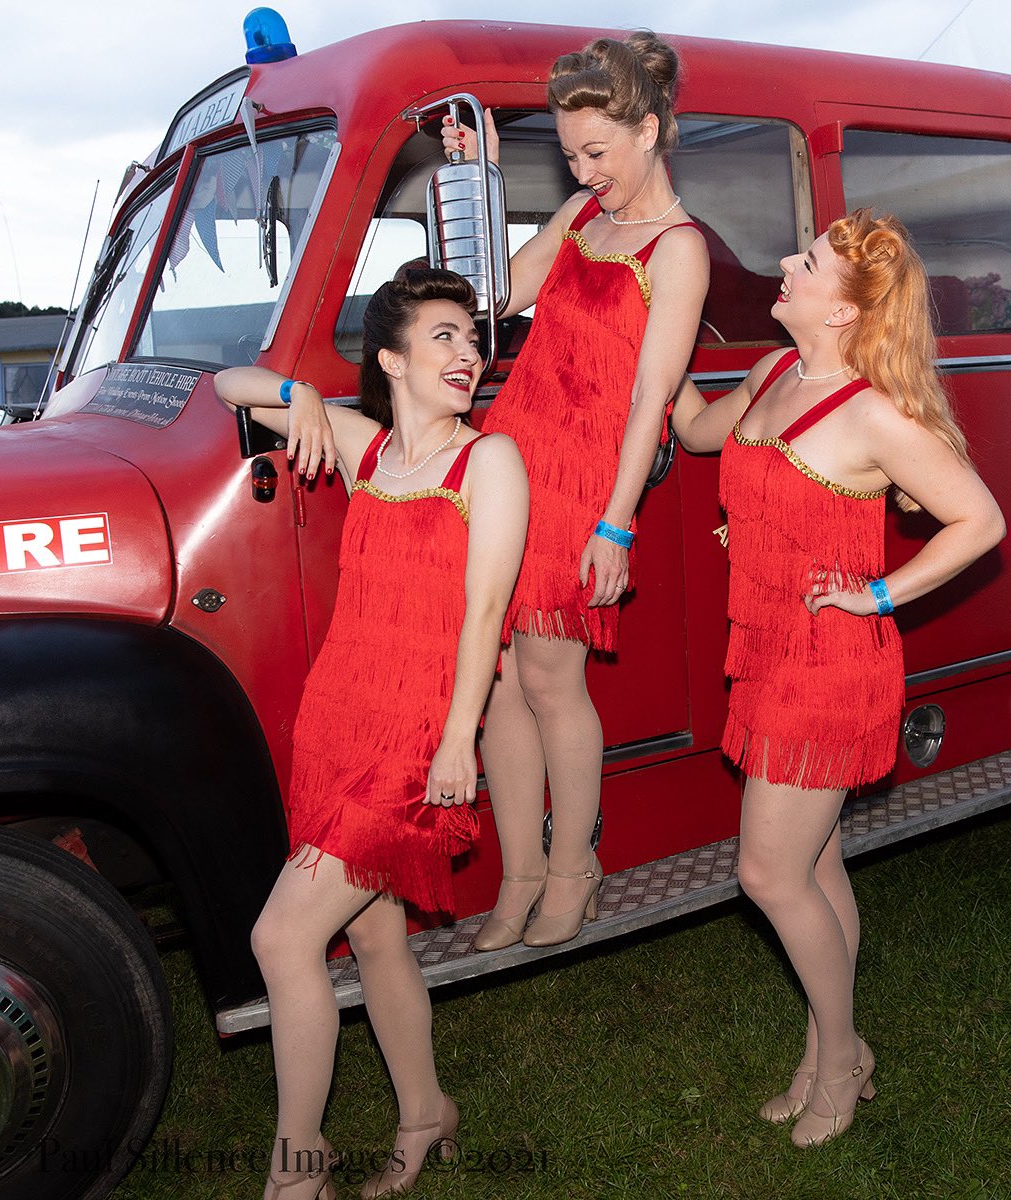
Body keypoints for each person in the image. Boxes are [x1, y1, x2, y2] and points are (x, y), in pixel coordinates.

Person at [672, 210, 1005, 1147]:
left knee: (767, 873)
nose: (784, 261)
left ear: (848, 309)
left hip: (828, 666)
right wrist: (643, 357)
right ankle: (828, 1055)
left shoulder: (873, 412)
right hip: (764, 650)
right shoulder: (774, 371)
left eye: (807, 261)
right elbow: (699, 435)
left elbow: (978, 521)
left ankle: (844, 1056)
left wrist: (877, 594)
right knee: (815, 865)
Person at [215, 267, 528, 1198]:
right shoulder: (366, 449)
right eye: (444, 336)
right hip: (335, 721)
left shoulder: (491, 462)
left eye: (472, 338)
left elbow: (485, 615)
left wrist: (458, 736)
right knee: (379, 939)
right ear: (391, 358)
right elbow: (225, 385)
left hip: (413, 735)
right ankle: (425, 1110)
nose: (468, 352)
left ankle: (294, 1172)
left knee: (281, 940)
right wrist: (297, 392)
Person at [440, 32, 709, 951]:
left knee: (553, 680)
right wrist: (480, 191)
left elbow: (651, 400)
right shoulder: (585, 219)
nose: (584, 170)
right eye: (568, 155)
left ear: (650, 129)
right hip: (511, 456)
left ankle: (573, 869)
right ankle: (517, 878)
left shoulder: (678, 247)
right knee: (501, 679)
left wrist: (616, 525)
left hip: (583, 477)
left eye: (597, 152)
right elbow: (501, 297)